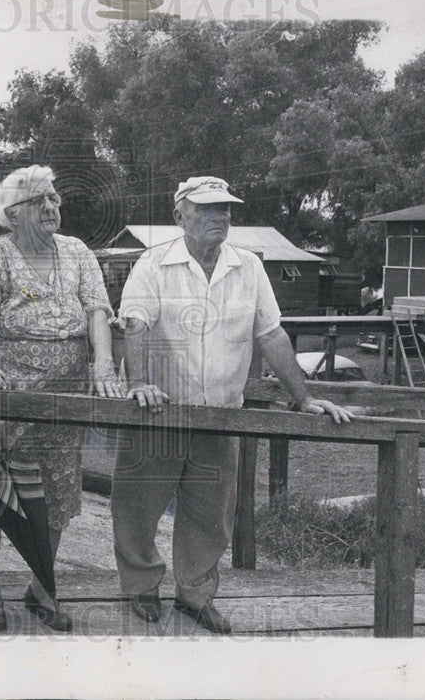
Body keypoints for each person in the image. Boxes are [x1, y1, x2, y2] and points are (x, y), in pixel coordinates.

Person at [113, 176, 354, 634]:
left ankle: (195, 595)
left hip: (223, 412)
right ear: (179, 213)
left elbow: (271, 334)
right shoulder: (153, 263)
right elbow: (136, 324)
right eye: (206, 208)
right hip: (160, 412)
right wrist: (139, 382)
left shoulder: (248, 267)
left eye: (225, 209)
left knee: (211, 514)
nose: (219, 217)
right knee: (138, 507)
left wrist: (303, 398)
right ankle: (141, 587)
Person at [0, 165, 124, 632]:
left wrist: (102, 365)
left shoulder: (78, 252)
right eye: (41, 200)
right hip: (10, 397)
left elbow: (98, 311)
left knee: (57, 493)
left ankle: (42, 589)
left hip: (65, 399)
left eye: (55, 198)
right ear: (13, 213)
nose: (52, 207)